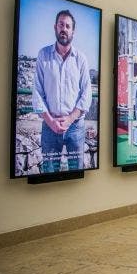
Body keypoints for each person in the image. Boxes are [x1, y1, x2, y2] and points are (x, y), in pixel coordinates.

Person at [33, 9, 92, 173]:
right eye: (61, 24)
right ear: (55, 27)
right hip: (49, 126)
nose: (64, 29)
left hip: (75, 127)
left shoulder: (81, 59)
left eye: (68, 26)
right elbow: (37, 92)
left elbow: (87, 93)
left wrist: (71, 118)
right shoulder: (43, 55)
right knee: (49, 174)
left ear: (73, 31)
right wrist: (51, 121)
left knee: (76, 173)